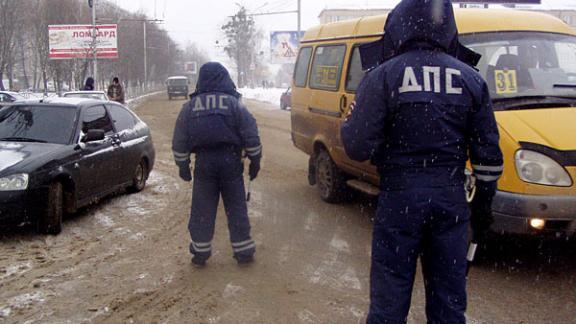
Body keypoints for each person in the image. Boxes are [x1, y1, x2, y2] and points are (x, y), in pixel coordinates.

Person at [341, 0, 503, 323]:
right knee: (448, 305)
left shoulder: (382, 76)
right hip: (449, 203)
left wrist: (358, 127)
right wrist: (482, 208)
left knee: (388, 303)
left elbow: (356, 146)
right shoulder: (471, 80)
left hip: (399, 202)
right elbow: (488, 158)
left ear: (399, 25)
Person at [172, 62, 262, 267]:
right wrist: (255, 160)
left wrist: (182, 165)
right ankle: (243, 251)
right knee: (236, 206)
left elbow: (180, 138)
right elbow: (250, 132)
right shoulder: (234, 103)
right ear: (224, 78)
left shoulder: (190, 107)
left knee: (203, 208)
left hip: (204, 163)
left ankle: (201, 252)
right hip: (230, 162)